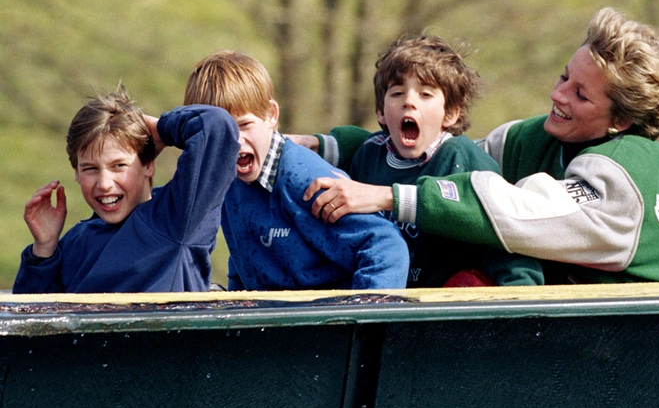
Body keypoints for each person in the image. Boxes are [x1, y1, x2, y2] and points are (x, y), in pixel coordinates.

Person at [303, 7, 659, 284]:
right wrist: (328, 147)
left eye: (580, 94)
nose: (557, 95)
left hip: (645, 348)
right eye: (563, 78)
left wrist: (385, 196)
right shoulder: (544, 136)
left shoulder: (625, 177)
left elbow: (518, 211)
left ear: (620, 121)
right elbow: (446, 157)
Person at [310, 35, 542, 287]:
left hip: (445, 307)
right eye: (397, 93)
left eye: (425, 94)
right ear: (381, 112)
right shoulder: (369, 154)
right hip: (382, 296)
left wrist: (519, 302)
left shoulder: (462, 158)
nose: (409, 101)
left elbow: (505, 234)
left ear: (451, 113)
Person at [183, 50, 408, 291]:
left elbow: (386, 247)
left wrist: (362, 318)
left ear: (271, 115)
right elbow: (246, 260)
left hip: (323, 319)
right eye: (220, 132)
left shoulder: (304, 179)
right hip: (270, 317)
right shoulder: (228, 180)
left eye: (244, 125)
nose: (235, 141)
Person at [14, 85, 240, 293]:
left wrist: (161, 129)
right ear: (76, 172)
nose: (104, 183)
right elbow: (32, 326)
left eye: (119, 166)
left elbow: (216, 126)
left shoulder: (177, 219)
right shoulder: (75, 241)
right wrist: (44, 249)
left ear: (148, 165)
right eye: (91, 169)